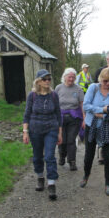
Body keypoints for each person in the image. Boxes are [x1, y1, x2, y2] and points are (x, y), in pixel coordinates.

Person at [80, 67, 109, 196]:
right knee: (89, 155)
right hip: (91, 126)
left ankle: (108, 185)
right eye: (105, 81)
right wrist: (103, 110)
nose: (108, 84)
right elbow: (85, 106)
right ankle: (86, 176)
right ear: (100, 79)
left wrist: (100, 114)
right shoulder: (93, 88)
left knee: (108, 157)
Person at [23, 69, 62, 200]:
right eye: (45, 79)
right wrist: (25, 132)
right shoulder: (32, 96)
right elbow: (27, 114)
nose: (47, 81)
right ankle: (40, 177)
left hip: (51, 128)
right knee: (37, 156)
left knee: (50, 156)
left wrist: (60, 133)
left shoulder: (54, 95)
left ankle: (51, 184)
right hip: (35, 130)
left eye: (49, 79)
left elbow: (58, 115)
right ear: (38, 81)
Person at [55, 68, 84, 171]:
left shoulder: (78, 89)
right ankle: (62, 156)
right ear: (65, 77)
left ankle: (72, 161)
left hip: (74, 118)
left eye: (73, 77)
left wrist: (84, 120)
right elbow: (54, 104)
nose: (71, 79)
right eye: (69, 77)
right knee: (62, 140)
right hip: (60, 118)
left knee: (71, 140)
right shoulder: (58, 88)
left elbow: (82, 105)